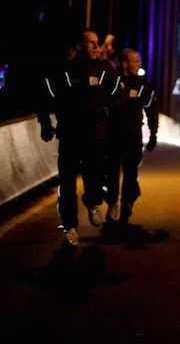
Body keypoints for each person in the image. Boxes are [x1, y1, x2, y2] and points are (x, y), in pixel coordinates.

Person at [37, 28, 120, 246]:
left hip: (96, 136)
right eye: (90, 42)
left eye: (97, 42)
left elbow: (115, 97)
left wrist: (108, 110)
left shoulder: (105, 70)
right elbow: (45, 97)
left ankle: (92, 202)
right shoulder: (65, 70)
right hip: (70, 136)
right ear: (80, 45)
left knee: (94, 178)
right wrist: (45, 124)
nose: (95, 46)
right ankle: (70, 226)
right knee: (67, 184)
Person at [104, 48, 159, 227]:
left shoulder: (143, 85)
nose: (139, 64)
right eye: (135, 61)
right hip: (112, 135)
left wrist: (153, 133)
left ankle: (127, 202)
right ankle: (112, 203)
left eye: (138, 60)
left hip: (133, 134)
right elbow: (102, 104)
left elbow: (151, 109)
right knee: (111, 171)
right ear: (125, 63)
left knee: (130, 171)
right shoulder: (112, 82)